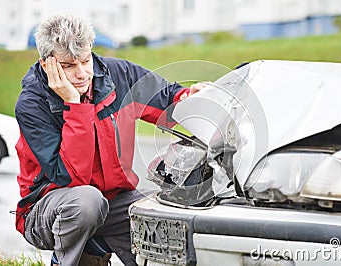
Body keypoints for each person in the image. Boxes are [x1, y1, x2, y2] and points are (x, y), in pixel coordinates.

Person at [13, 14, 204, 265]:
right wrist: (74, 104)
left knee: (164, 213)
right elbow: (71, 178)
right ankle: (67, 259)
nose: (82, 74)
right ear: (47, 64)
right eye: (68, 66)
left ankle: (97, 243)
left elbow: (167, 99)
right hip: (48, 209)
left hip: (113, 202)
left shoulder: (118, 74)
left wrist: (192, 97)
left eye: (85, 60)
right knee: (87, 202)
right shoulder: (32, 104)